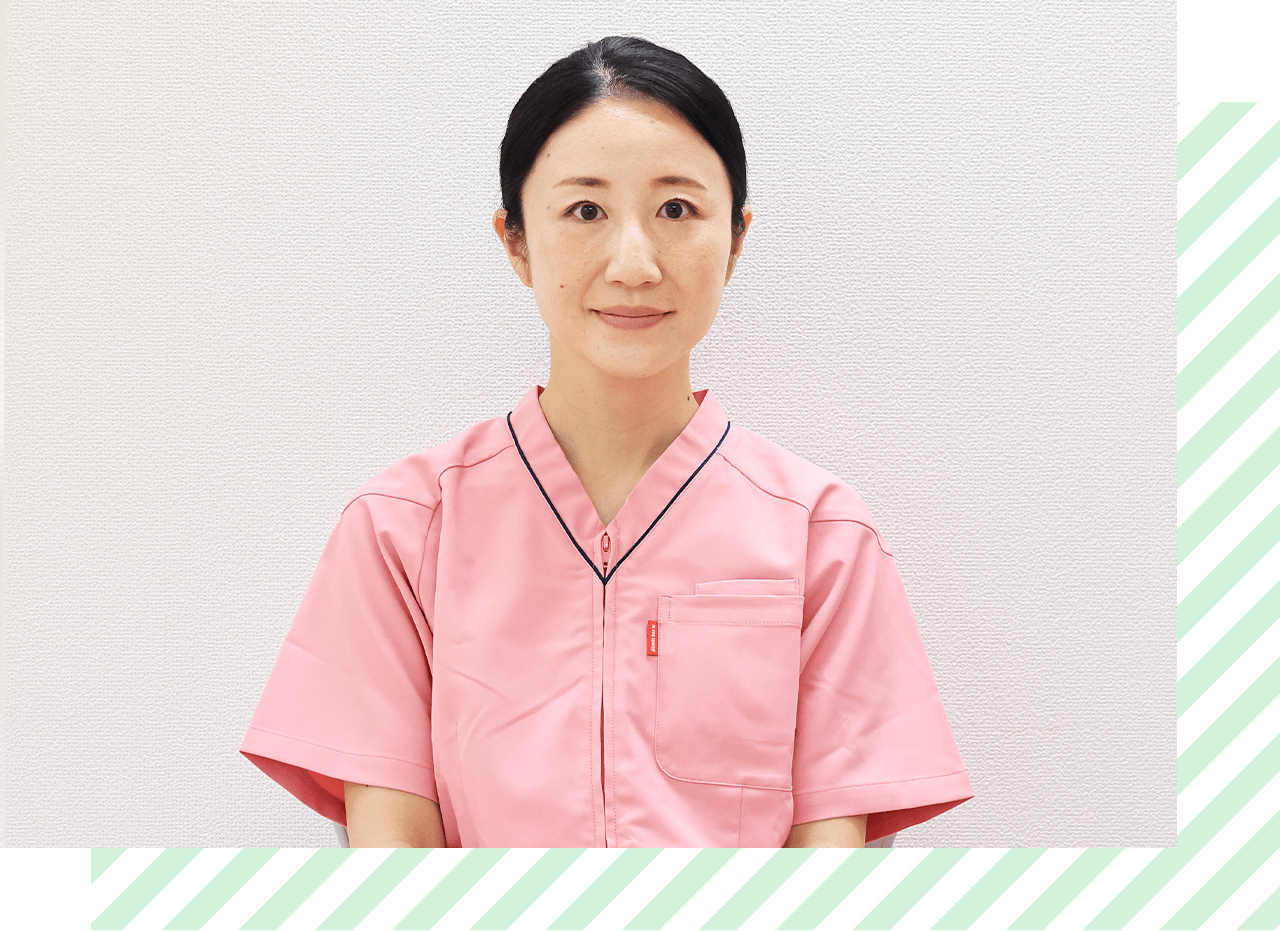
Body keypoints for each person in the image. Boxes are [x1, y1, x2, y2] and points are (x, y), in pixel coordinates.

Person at [241, 36, 973, 848]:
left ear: (736, 239)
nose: (634, 263)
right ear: (516, 241)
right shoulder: (402, 531)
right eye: (586, 211)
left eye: (677, 210)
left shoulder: (823, 537)